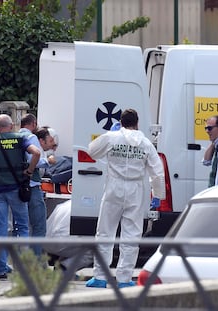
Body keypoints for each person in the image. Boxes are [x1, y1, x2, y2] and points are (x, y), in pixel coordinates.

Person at [85, 108, 165, 289]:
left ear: (120, 122)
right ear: (137, 123)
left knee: (105, 232)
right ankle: (124, 279)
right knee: (131, 235)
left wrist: (109, 134)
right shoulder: (145, 143)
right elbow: (157, 172)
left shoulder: (112, 138)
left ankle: (100, 276)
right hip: (135, 190)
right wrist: (158, 195)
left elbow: (92, 151)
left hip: (114, 187)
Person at [0, 114, 40, 278]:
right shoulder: (20, 140)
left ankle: (0, 268)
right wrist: (29, 171)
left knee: (1, 229)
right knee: (23, 227)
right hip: (17, 190)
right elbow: (37, 153)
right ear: (11, 126)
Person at [18, 114, 55, 257]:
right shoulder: (31, 138)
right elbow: (36, 159)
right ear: (33, 124)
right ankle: (37, 263)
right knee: (39, 226)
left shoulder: (14, 136)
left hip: (16, 187)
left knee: (21, 226)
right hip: (31, 186)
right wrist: (48, 161)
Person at [44, 200, 93, 272]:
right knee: (96, 250)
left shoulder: (68, 203)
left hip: (45, 241)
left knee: (74, 242)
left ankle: (59, 266)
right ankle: (64, 268)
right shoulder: (95, 208)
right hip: (63, 242)